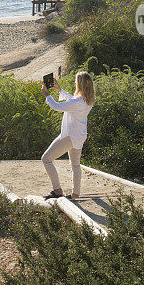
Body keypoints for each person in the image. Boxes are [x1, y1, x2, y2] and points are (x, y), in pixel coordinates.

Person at [40, 71, 95, 199]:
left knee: (46, 159)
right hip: (79, 136)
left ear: (80, 84)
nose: (74, 83)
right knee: (75, 165)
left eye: (76, 81)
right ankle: (75, 193)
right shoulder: (88, 101)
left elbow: (56, 106)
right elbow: (73, 101)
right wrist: (60, 90)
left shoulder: (77, 103)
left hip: (69, 137)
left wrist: (47, 94)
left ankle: (57, 190)